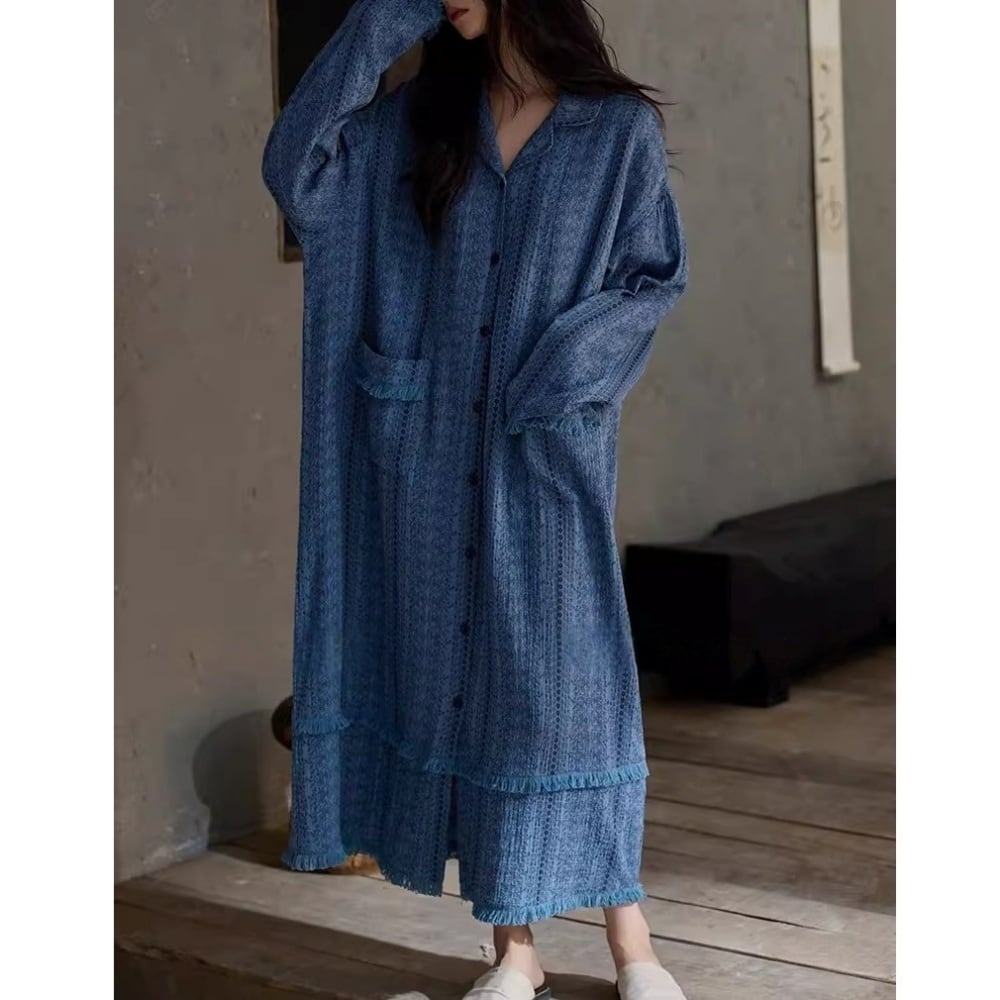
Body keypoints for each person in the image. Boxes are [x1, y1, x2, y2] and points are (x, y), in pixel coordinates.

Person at [261, 1, 689, 998]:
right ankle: (514, 952)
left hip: (544, 455)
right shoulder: (413, 124)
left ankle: (633, 945)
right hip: (419, 460)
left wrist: (563, 375)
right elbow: (296, 169)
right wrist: (384, 20)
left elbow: (651, 279)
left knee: (567, 695)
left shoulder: (612, 130)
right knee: (469, 691)